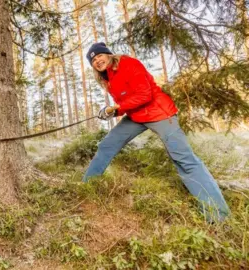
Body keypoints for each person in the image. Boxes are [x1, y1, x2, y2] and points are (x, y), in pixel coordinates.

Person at [83, 42, 230, 223]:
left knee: (184, 160)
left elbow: (145, 95)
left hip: (159, 113)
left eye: (99, 56)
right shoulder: (108, 78)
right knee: (107, 145)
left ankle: (217, 215)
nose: (97, 61)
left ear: (108, 54)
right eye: (94, 61)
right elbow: (127, 100)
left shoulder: (128, 64)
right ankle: (86, 187)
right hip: (136, 116)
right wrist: (113, 111)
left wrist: (117, 107)